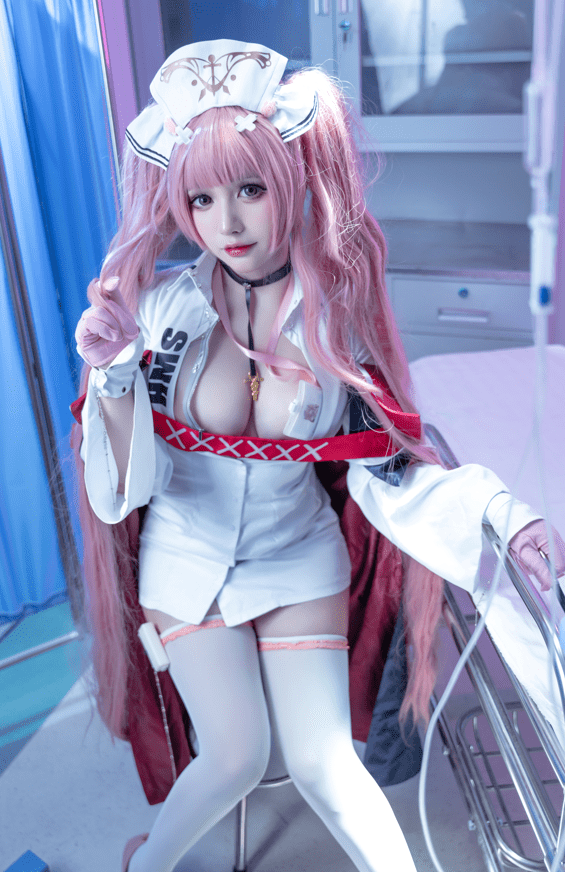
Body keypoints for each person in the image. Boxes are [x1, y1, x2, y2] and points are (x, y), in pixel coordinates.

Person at [72, 39, 565, 872]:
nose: (227, 224)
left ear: (292, 180)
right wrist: (114, 373)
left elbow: (389, 464)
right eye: (201, 198)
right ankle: (145, 865)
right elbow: (122, 493)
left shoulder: (334, 312)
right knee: (234, 757)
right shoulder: (156, 311)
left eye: (250, 189)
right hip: (184, 556)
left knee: (326, 765)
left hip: (298, 553)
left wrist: (502, 515)